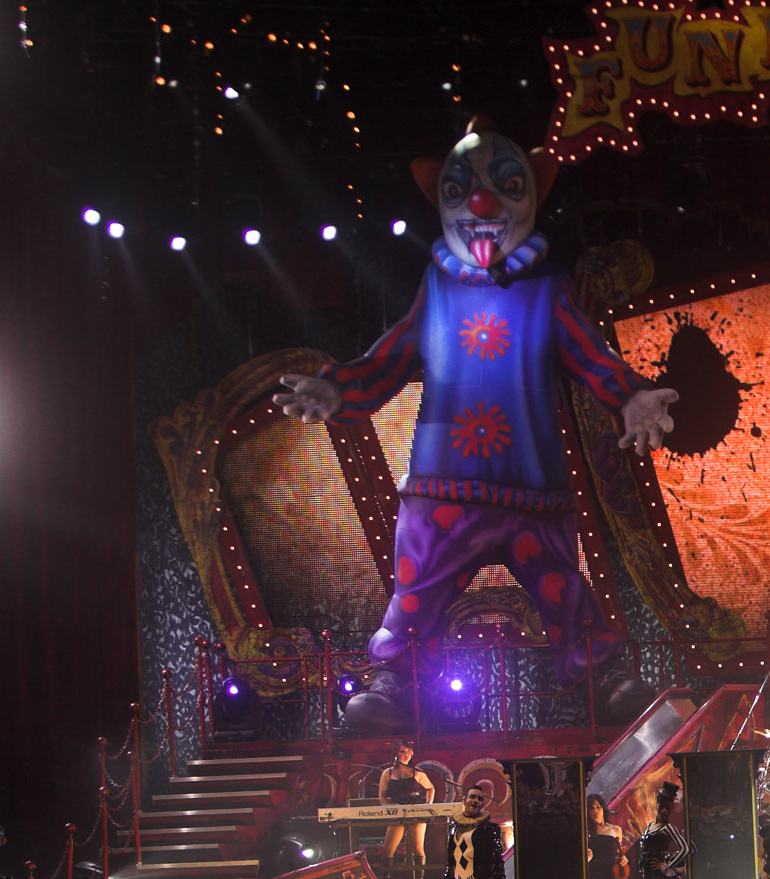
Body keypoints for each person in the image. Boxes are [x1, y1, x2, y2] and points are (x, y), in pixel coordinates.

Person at [273, 119, 674, 733]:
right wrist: (338, 387)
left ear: (535, 194)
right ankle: (396, 682)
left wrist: (633, 395)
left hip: (530, 491)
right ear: (439, 201)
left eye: (507, 186)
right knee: (416, 597)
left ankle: (604, 676)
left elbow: (592, 356)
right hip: (444, 492)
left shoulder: (546, 290)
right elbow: (388, 358)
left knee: (564, 591)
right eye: (460, 190)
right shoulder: (437, 289)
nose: (482, 205)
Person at [377, 740, 436, 879]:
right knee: (388, 850)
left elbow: (430, 788)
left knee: (418, 848)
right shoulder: (388, 773)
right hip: (397, 814)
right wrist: (388, 808)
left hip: (416, 813)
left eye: (408, 751)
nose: (405, 755)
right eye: (402, 751)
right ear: (396, 753)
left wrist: (427, 806)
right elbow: (382, 795)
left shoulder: (417, 772)